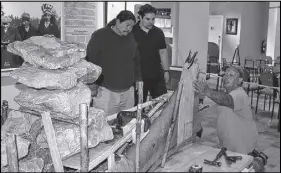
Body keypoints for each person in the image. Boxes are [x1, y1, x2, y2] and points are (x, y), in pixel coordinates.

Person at [86, 10, 142, 117]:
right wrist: (92, 83)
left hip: (128, 92)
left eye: (131, 26)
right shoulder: (100, 35)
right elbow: (90, 61)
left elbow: (136, 60)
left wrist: (138, 79)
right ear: (117, 21)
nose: (129, 29)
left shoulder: (130, 37)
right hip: (105, 91)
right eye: (127, 25)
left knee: (127, 124)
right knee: (105, 124)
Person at [193, 65, 259, 154]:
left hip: (242, 149)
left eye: (231, 75)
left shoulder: (240, 94)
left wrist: (208, 92)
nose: (226, 77)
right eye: (225, 74)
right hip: (229, 147)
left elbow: (228, 100)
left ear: (240, 80)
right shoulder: (229, 94)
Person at [132, 4, 170, 104]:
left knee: (161, 104)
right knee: (138, 107)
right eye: (147, 19)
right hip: (138, 77)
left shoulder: (158, 32)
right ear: (140, 17)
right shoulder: (132, 32)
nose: (151, 22)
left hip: (156, 75)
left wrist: (166, 71)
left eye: (153, 19)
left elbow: (163, 51)